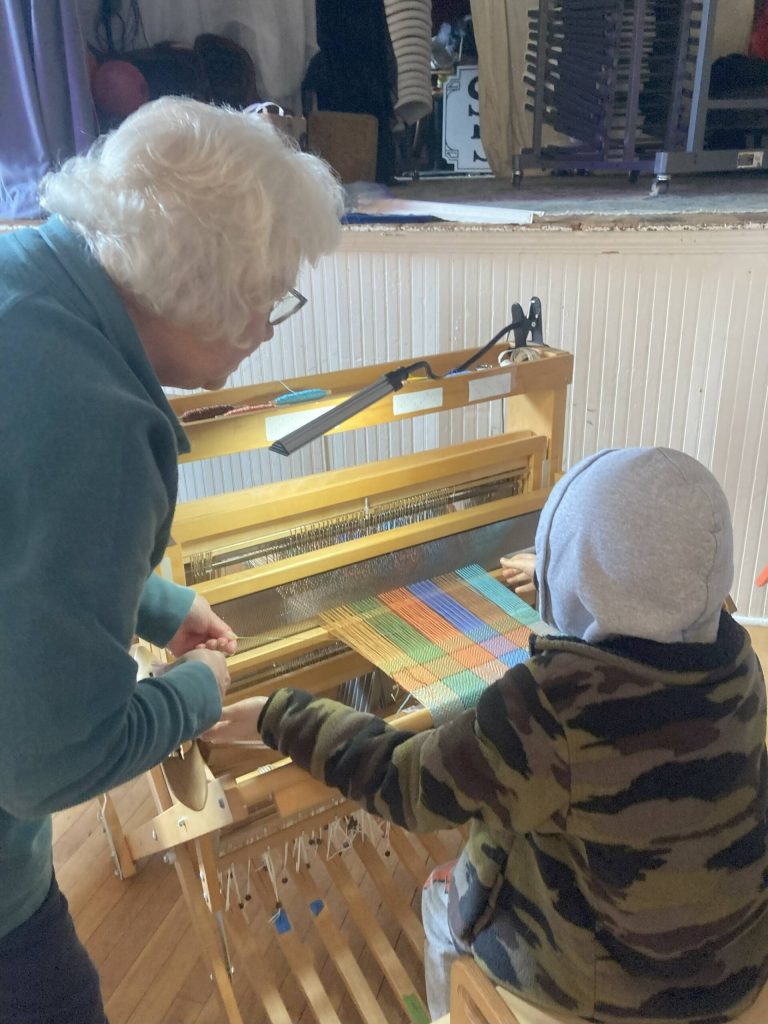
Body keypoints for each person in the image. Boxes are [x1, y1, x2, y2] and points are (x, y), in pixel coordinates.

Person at [206, 446, 768, 1024]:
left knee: (435, 896)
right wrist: (557, 572)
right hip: (735, 960)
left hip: (616, 990)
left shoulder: (552, 704)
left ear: (579, 572)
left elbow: (403, 780)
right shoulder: (736, 662)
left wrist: (278, 716)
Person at [0, 96, 342, 1024]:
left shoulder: (23, 275)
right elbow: (46, 764)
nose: (271, 321)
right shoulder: (102, 425)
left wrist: (150, 602)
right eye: (270, 297)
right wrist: (197, 689)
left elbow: (20, 533)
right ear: (212, 290)